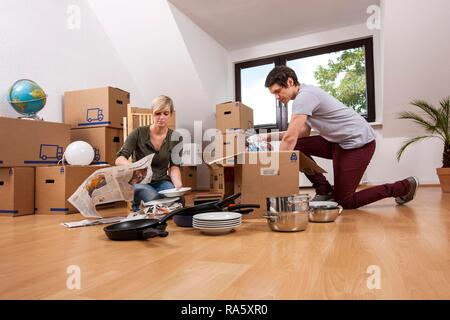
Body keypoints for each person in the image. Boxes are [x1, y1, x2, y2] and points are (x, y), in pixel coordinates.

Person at [263, 66, 418, 209]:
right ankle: (324, 190)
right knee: (298, 146)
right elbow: (300, 134)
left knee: (345, 201)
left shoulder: (305, 96)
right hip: (336, 142)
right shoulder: (302, 99)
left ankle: (404, 186)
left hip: (358, 144)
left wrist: (276, 170)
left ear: (290, 82)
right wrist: (269, 137)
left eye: (277, 91)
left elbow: (290, 137)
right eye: (273, 94)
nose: (276, 97)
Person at [115, 95, 184, 211]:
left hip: (162, 182)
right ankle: (144, 205)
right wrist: (134, 168)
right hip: (141, 182)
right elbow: (119, 159)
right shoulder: (138, 133)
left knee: (179, 200)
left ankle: (150, 207)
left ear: (171, 114)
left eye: (166, 113)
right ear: (152, 113)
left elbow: (174, 166)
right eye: (158, 113)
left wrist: (178, 186)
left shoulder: (176, 137)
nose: (161, 117)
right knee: (153, 198)